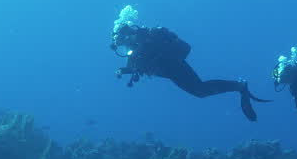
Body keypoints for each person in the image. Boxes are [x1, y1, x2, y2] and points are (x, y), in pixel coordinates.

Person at [112, 21, 269, 121]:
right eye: (120, 43)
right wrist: (121, 70)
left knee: (200, 90)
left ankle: (239, 86)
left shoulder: (144, 37)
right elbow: (133, 67)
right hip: (169, 71)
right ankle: (239, 86)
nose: (122, 44)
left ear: (126, 33)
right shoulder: (134, 50)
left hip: (174, 66)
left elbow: (152, 52)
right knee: (200, 90)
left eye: (122, 39)